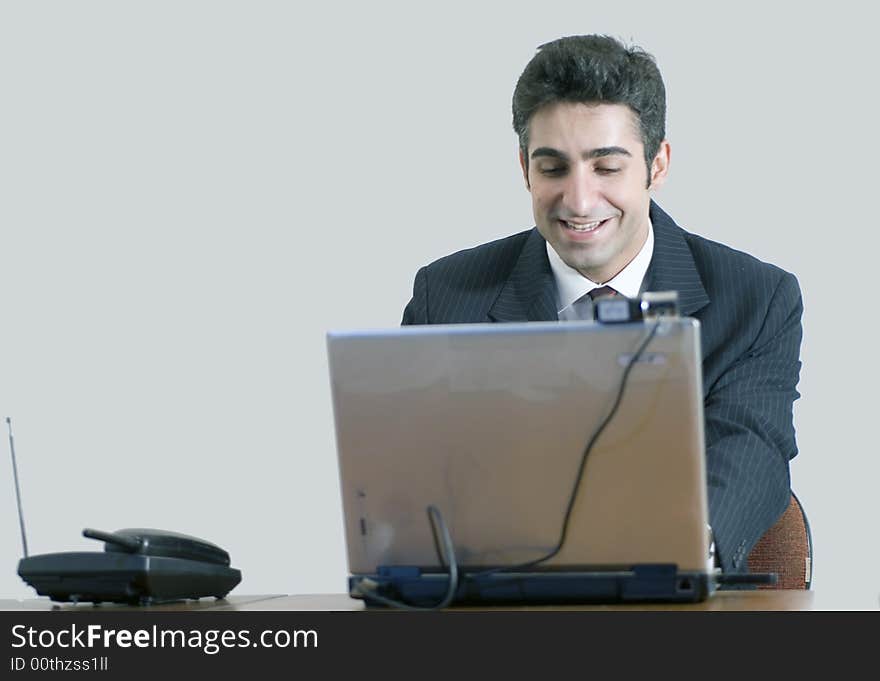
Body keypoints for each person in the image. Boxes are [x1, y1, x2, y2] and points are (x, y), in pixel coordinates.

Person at [401, 35, 803, 577]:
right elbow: (412, 478)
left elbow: (750, 453)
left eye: (606, 167)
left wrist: (680, 554)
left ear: (656, 165)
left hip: (674, 603)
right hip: (494, 601)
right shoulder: (445, 296)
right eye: (553, 168)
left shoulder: (755, 299)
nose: (579, 200)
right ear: (525, 168)